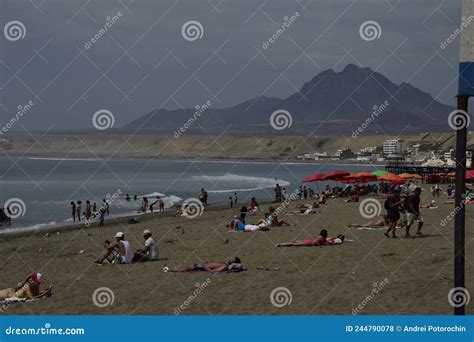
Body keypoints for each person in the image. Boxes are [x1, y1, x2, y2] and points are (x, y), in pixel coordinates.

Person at [165, 257, 243, 273]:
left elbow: (214, 271)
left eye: (232, 259)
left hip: (204, 267)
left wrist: (205, 266)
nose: (230, 259)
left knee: (188, 268)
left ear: (233, 262)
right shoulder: (224, 263)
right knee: (189, 267)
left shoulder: (225, 266)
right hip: (204, 265)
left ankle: (171, 270)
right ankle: (175, 269)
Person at [277, 229, 345, 247]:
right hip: (310, 243)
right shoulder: (323, 239)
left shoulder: (320, 237)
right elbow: (328, 241)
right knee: (292, 244)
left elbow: (330, 238)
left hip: (309, 240)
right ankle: (280, 244)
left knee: (294, 242)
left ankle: (281, 244)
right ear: (325, 234)